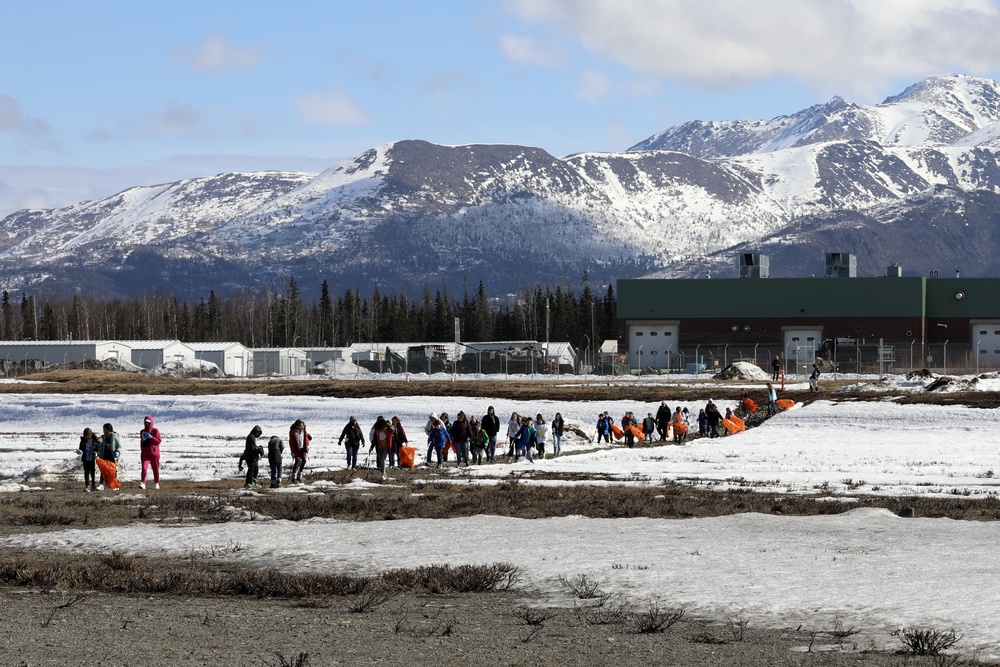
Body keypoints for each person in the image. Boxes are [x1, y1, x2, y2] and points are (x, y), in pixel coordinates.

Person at [139, 415, 161, 490]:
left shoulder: (155, 431)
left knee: (155, 469)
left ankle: (156, 482)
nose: (147, 424)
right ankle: (143, 483)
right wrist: (142, 449)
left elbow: (158, 441)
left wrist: (152, 438)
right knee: (144, 468)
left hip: (154, 454)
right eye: (146, 422)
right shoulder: (142, 432)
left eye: (148, 422)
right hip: (145, 454)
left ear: (151, 423)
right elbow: (142, 442)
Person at [97, 423, 121, 490]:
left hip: (111, 456)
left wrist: (117, 452)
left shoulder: (114, 437)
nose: (103, 430)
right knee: (103, 470)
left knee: (113, 470)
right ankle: (101, 484)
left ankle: (115, 485)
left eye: (104, 429)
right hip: (104, 456)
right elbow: (98, 445)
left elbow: (119, 446)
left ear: (108, 429)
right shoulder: (102, 437)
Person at [78, 428, 100, 492]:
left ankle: (93, 485)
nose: (87, 438)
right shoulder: (83, 440)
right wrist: (80, 452)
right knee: (86, 472)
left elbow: (98, 448)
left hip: (92, 458)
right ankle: (87, 485)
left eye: (88, 436)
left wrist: (96, 453)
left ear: (90, 435)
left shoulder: (94, 440)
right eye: (86, 436)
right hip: (85, 458)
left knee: (93, 472)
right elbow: (80, 448)